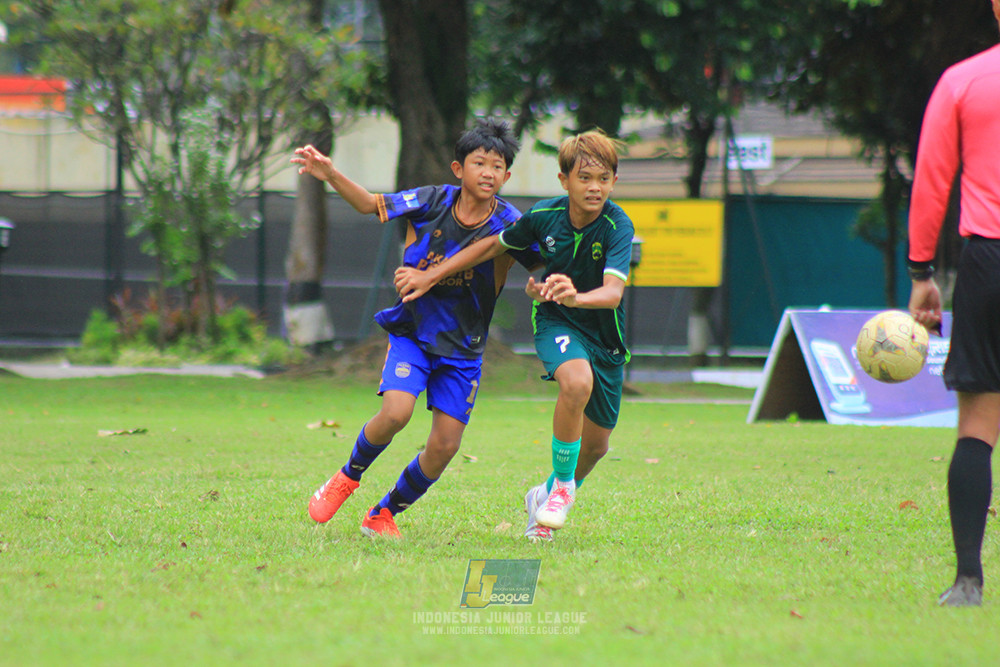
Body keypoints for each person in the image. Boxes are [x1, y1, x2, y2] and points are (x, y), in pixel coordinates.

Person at [291, 118, 541, 538]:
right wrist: (331, 174)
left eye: (498, 167)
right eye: (480, 163)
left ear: (507, 175)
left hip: (464, 346)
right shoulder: (430, 200)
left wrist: (544, 283)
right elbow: (371, 205)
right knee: (396, 411)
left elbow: (542, 265)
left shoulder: (511, 223)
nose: (489, 173)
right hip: (414, 332)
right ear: (458, 169)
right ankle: (346, 477)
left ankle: (383, 513)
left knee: (444, 447)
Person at [395, 129, 634, 542]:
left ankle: (541, 495)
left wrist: (576, 297)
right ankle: (561, 490)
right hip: (558, 322)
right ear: (564, 181)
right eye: (584, 178)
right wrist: (431, 274)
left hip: (604, 336)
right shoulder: (543, 217)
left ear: (614, 181)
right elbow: (489, 247)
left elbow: (612, 295)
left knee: (596, 448)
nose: (595, 187)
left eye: (604, 178)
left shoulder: (618, 225)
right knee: (576, 382)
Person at [907, 0, 1000, 606]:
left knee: (978, 425)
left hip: (988, 261)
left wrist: (921, 272)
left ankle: (968, 580)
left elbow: (933, 178)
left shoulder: (965, 80)